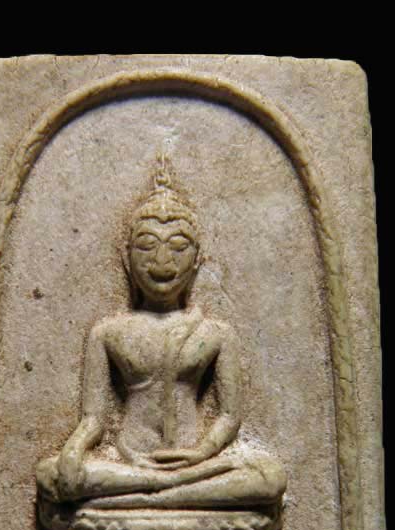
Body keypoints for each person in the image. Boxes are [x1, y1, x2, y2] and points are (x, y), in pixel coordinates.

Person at [37, 157, 286, 510]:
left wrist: (201, 452)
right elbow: (93, 420)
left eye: (179, 247)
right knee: (51, 474)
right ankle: (166, 489)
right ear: (126, 260)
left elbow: (230, 416)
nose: (162, 261)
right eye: (146, 245)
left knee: (270, 477)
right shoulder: (109, 332)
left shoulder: (216, 333)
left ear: (197, 260)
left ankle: (149, 493)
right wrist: (74, 451)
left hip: (196, 463)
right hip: (129, 460)